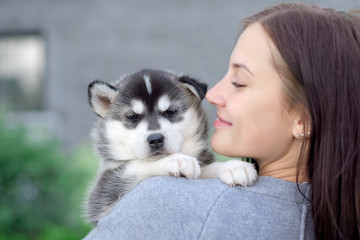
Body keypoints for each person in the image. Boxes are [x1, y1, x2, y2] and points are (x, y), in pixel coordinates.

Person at [83, 3, 360, 240]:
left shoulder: (166, 200)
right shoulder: (340, 217)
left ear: (304, 120)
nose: (212, 95)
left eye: (239, 82)